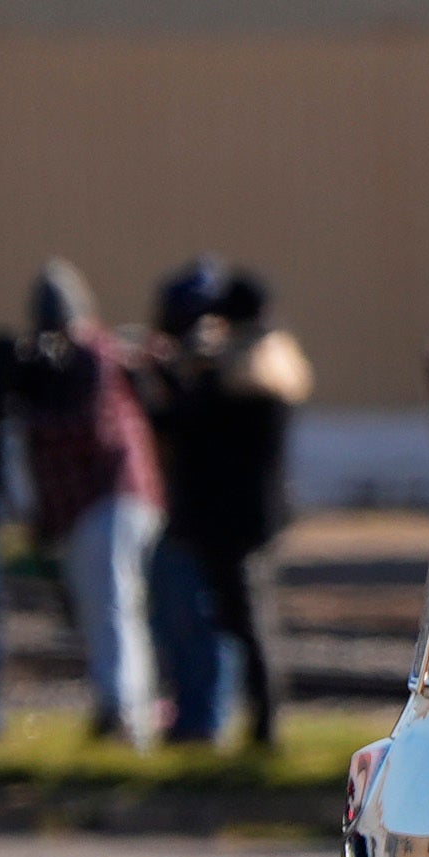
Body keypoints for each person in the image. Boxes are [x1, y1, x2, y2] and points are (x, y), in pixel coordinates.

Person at [143, 260, 308, 749]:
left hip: (229, 520)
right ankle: (264, 720)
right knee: (251, 621)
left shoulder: (237, 376)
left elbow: (188, 426)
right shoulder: (271, 366)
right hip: (257, 516)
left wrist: (162, 380)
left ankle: (264, 725)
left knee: (245, 622)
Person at [12, 264, 160, 746]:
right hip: (108, 503)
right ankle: (124, 708)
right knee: (114, 610)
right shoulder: (86, 357)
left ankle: (123, 714)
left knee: (113, 609)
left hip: (110, 499)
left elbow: (78, 426)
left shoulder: (90, 357)